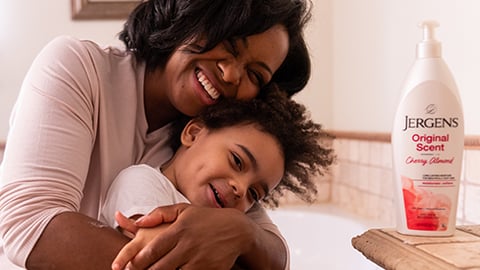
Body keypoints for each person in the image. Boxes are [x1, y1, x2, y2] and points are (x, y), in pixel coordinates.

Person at [0, 0, 313, 269]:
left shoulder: (211, 148)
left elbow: (275, 253)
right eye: (229, 46)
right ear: (191, 14)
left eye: (255, 75)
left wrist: (242, 232)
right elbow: (27, 222)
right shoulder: (80, 69)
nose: (231, 75)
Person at [99, 87, 334, 270]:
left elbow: (278, 258)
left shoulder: (236, 211)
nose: (241, 189)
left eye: (255, 193)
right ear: (193, 133)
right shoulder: (142, 181)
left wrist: (245, 233)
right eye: (237, 161)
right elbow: (159, 253)